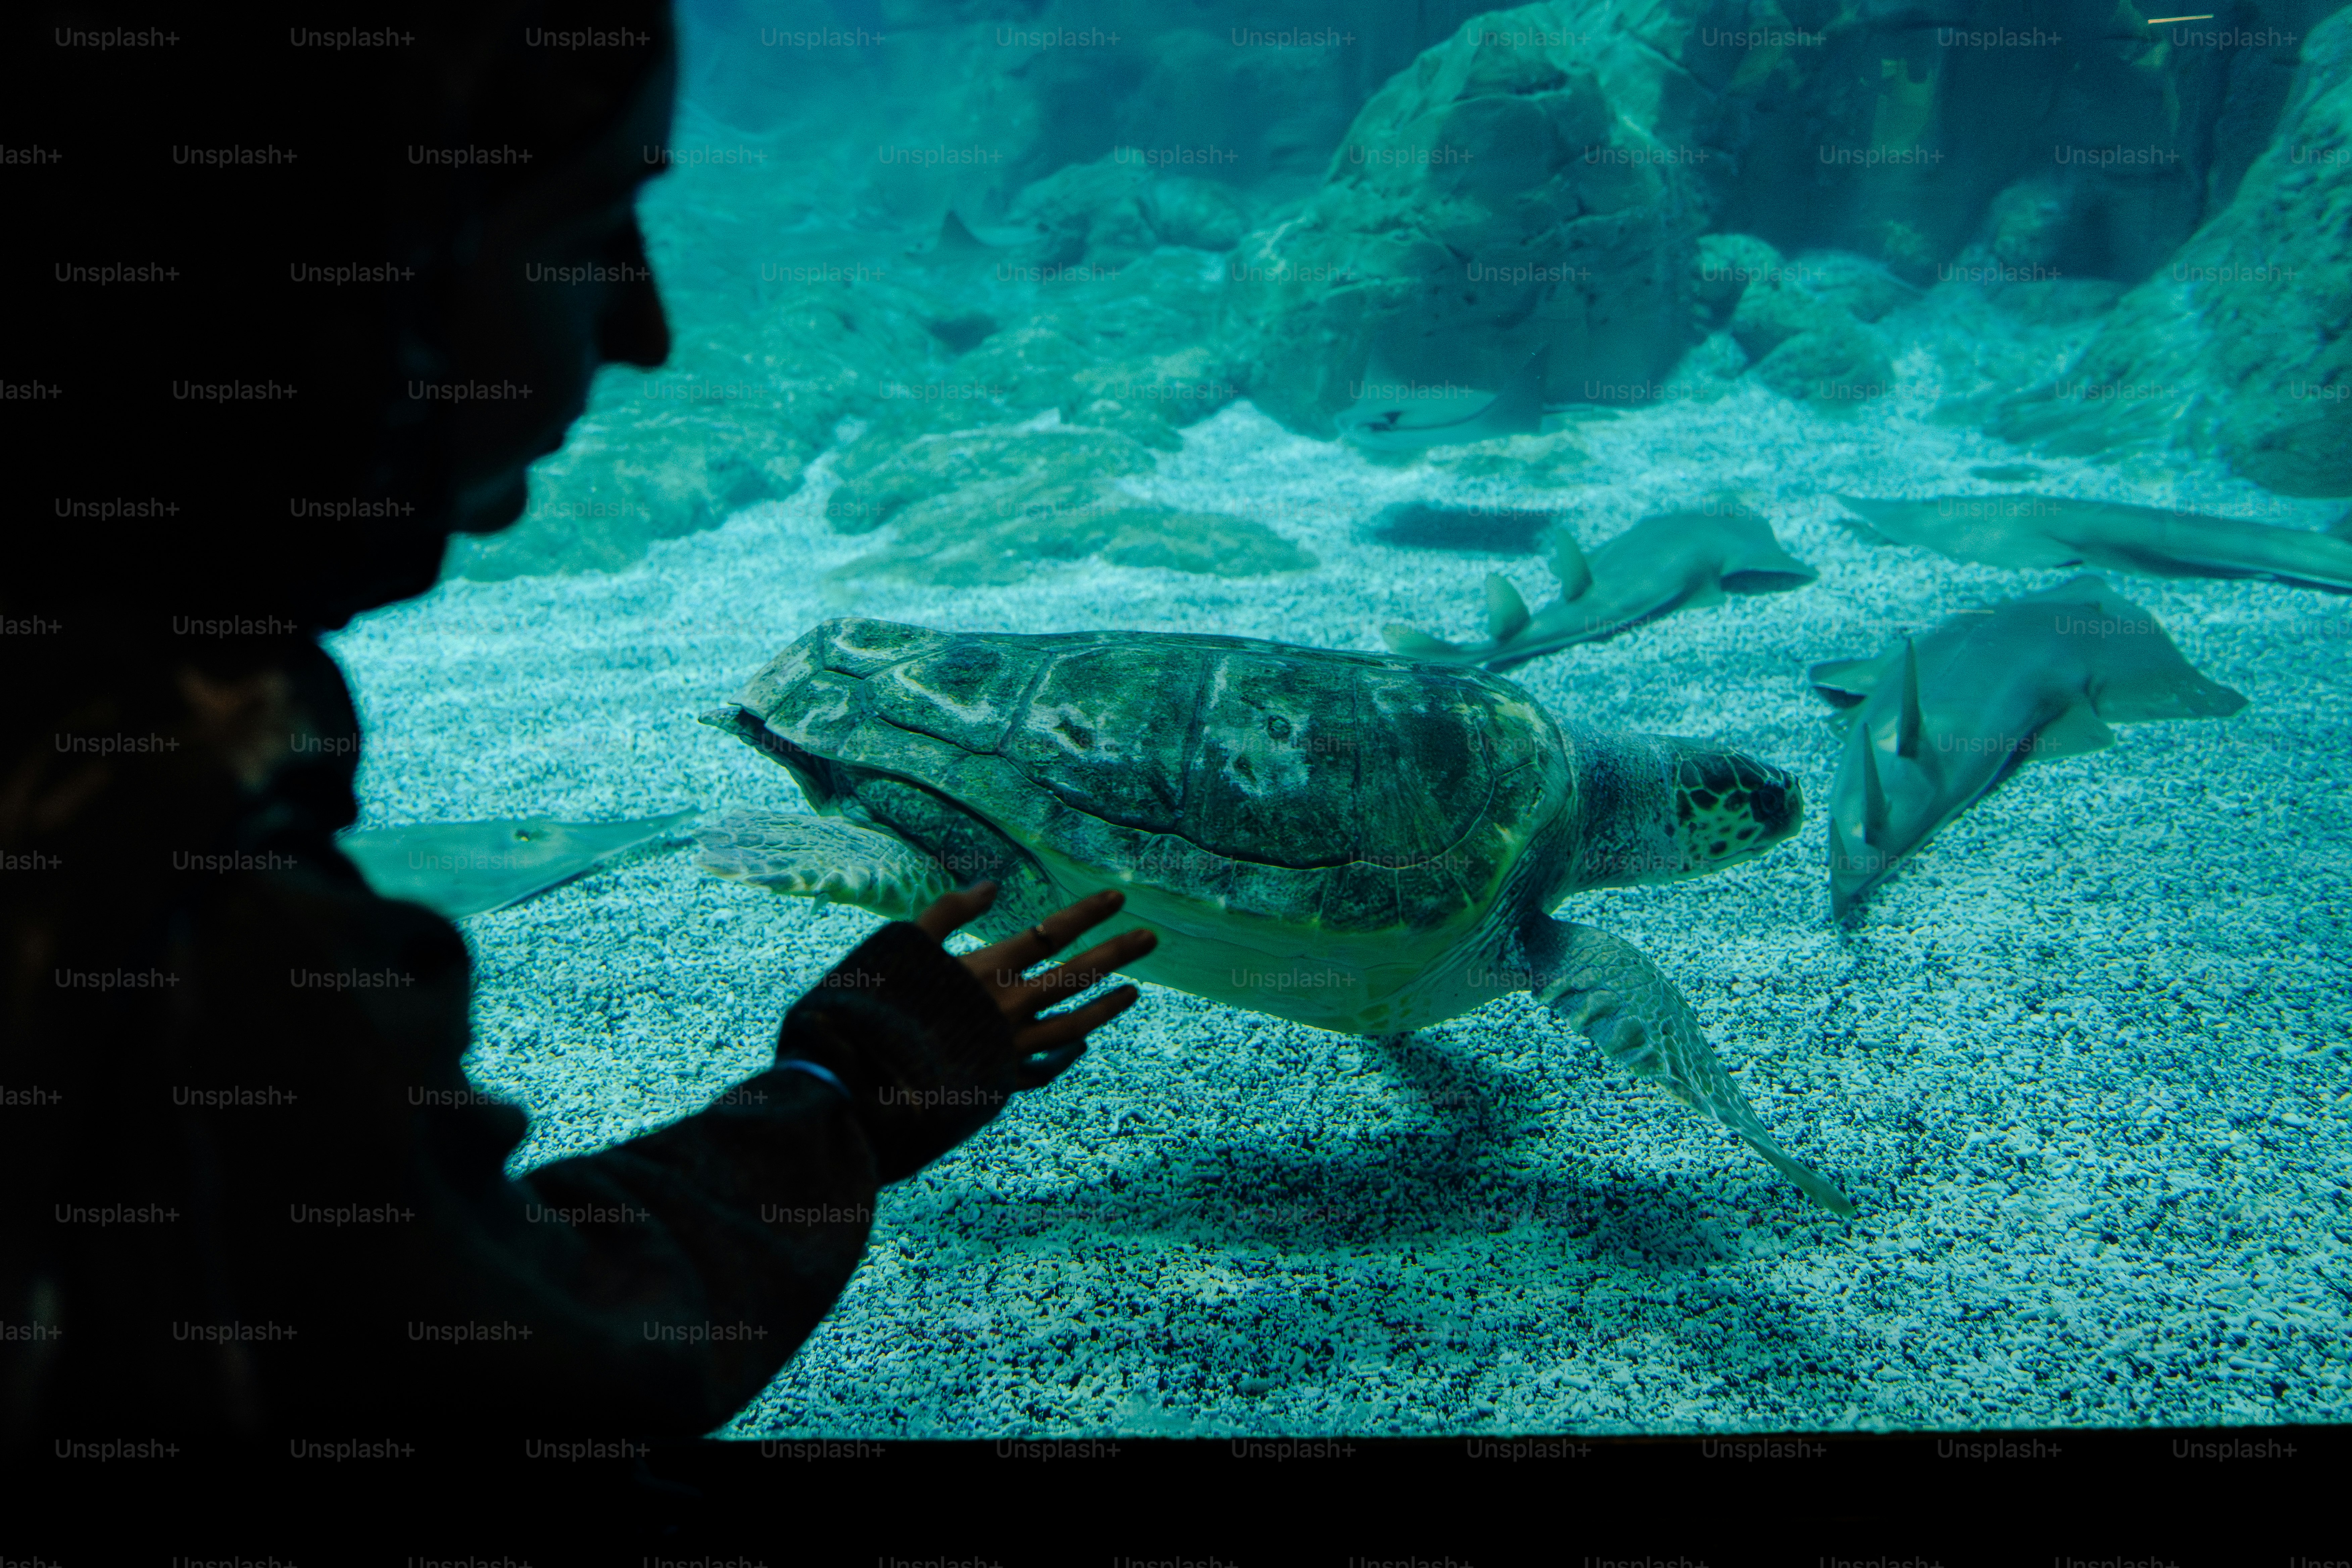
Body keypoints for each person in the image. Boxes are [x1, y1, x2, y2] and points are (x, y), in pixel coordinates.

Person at [0, 0, 1153, 1442]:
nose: (648, 329)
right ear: (365, 269)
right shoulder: (165, 888)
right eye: (595, 224)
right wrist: (841, 1088)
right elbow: (514, 1360)